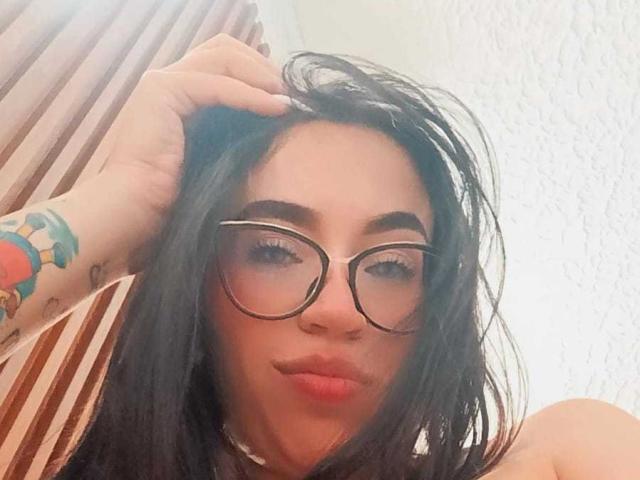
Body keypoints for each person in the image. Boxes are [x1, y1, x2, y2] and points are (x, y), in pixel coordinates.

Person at [0, 33, 638, 480]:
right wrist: (124, 200)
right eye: (275, 251)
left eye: (390, 265)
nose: (338, 312)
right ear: (197, 292)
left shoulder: (564, 458)